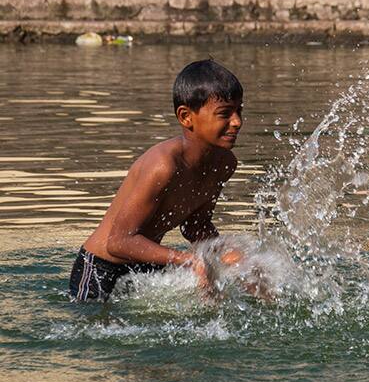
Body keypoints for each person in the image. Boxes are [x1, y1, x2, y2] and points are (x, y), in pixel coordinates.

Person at [68, 59, 244, 301]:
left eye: (239, 111)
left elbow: (195, 225)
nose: (237, 122)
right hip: (100, 269)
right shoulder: (163, 166)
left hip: (145, 266)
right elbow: (118, 242)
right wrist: (188, 261)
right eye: (225, 113)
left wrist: (231, 256)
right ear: (185, 117)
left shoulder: (224, 164)